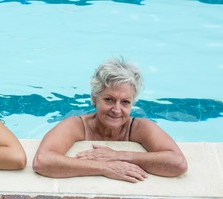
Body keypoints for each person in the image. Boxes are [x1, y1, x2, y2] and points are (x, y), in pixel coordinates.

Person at [33, 57, 187, 183]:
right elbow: (43, 161)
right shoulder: (77, 125)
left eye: (125, 102)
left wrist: (118, 155)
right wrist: (105, 168)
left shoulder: (140, 127)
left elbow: (177, 163)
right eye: (109, 99)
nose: (117, 110)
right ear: (94, 99)